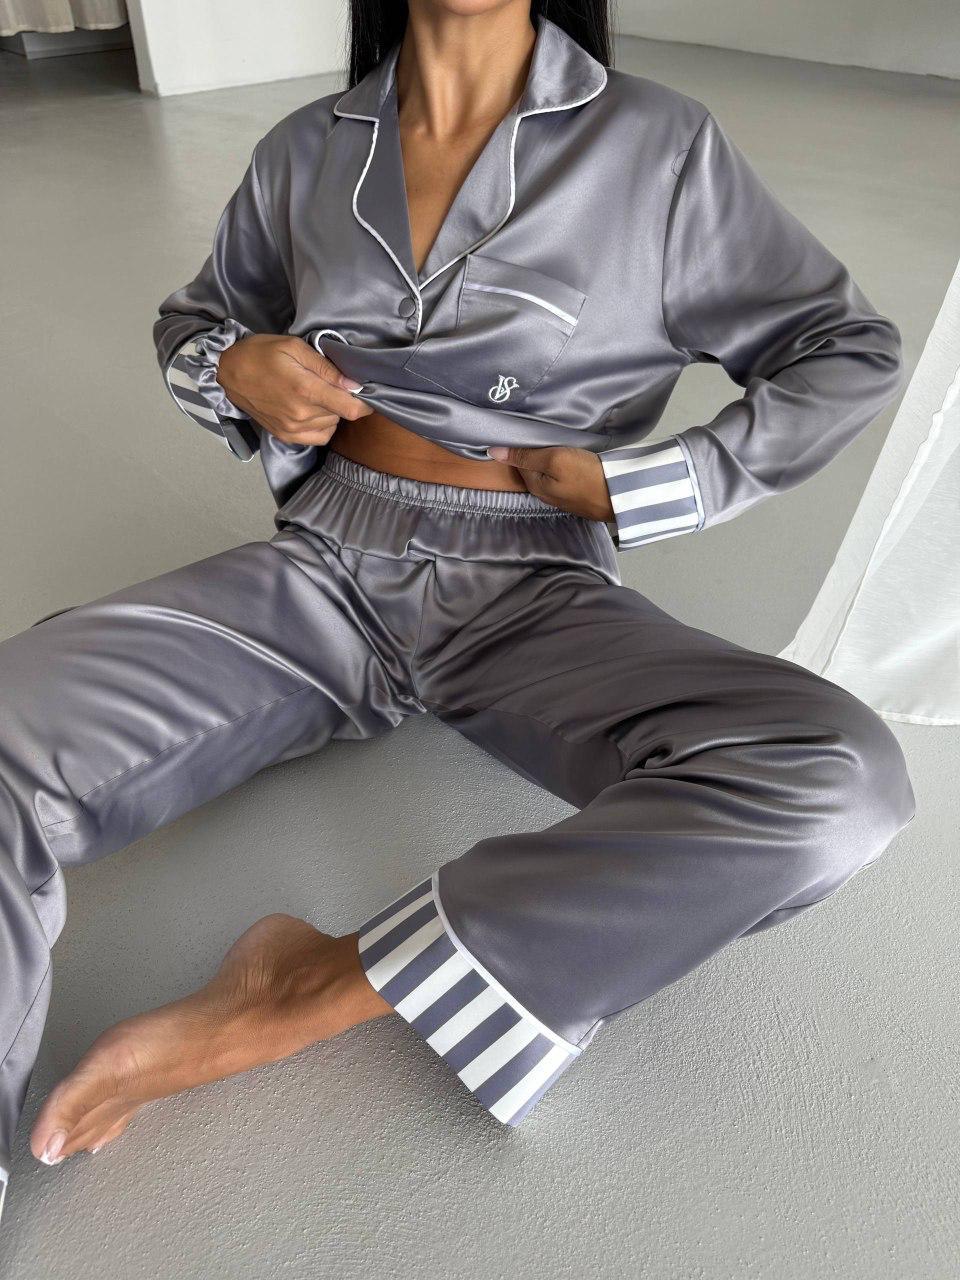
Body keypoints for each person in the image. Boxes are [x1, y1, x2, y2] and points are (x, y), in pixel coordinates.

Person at [0, 0, 916, 1216]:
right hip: (323, 568)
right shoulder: (309, 147)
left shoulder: (659, 145)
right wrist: (233, 366)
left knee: (838, 780)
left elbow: (845, 346)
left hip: (534, 589)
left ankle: (304, 988)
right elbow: (199, 318)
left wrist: (649, 483)